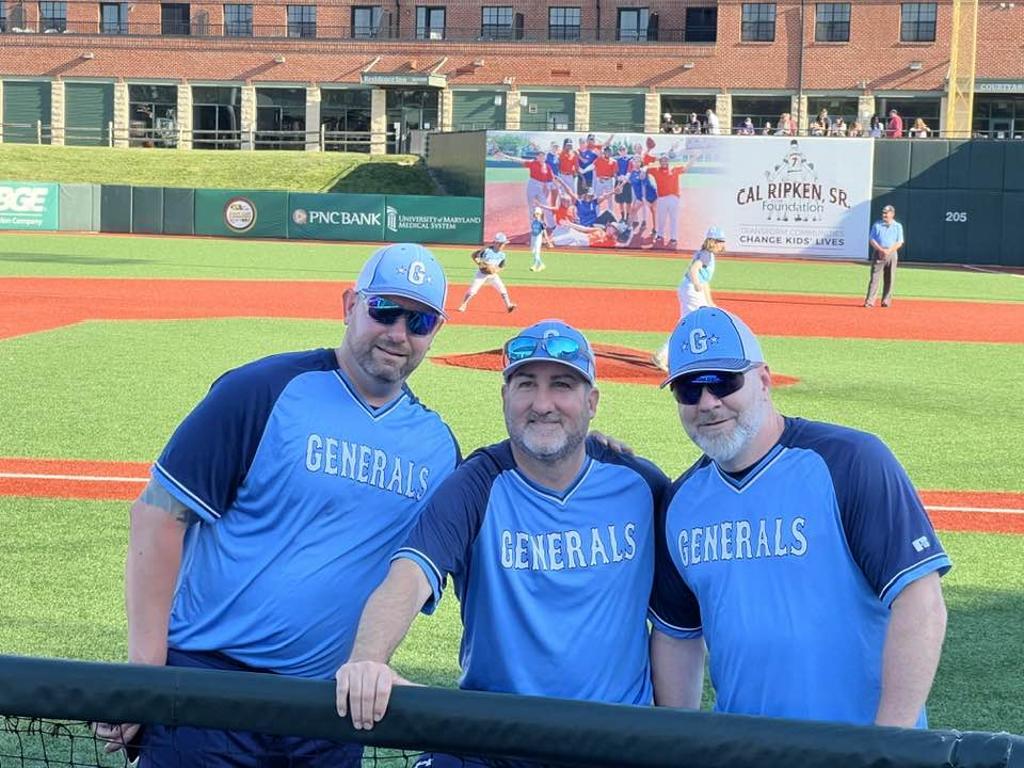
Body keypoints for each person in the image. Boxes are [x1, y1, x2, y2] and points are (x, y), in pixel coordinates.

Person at [94, 243, 461, 767]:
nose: (398, 333)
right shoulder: (262, 389)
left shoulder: (438, 449)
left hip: (328, 713)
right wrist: (146, 673)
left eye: (419, 320)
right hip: (209, 691)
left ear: (435, 330)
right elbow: (157, 513)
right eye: (384, 310)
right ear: (349, 304)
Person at [335, 320, 670, 751]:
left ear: (592, 402)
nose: (542, 404)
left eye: (562, 385)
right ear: (505, 397)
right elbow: (410, 576)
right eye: (526, 384)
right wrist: (367, 658)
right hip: (497, 739)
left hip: (613, 742)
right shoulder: (475, 485)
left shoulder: (640, 485)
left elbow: (682, 614)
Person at [650, 306, 950, 727]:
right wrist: (680, 743)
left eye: (723, 381)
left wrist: (889, 744)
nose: (708, 402)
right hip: (745, 750)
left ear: (764, 380)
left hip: (858, 748)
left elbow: (920, 601)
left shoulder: (850, 461)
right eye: (688, 389)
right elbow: (677, 635)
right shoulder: (681, 502)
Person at [651, 226, 724, 371]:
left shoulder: (707, 254)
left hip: (689, 289)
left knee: (690, 322)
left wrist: (709, 301)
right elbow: (694, 270)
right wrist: (696, 284)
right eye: (720, 241)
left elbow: (705, 281)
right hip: (692, 289)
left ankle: (668, 354)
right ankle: (664, 355)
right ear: (713, 242)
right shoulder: (706, 255)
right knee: (694, 323)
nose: (722, 245)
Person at [644, 152, 699, 249]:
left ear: (668, 161)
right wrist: (653, 161)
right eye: (662, 160)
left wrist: (695, 157)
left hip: (674, 198)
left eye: (665, 160)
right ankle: (660, 235)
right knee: (661, 219)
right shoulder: (655, 170)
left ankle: (673, 238)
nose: (664, 162)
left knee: (674, 219)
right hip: (661, 198)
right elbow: (645, 165)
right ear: (660, 162)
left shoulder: (674, 169)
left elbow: (687, 167)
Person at [458, 232, 517, 313]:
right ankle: (463, 304)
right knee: (473, 290)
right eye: (501, 243)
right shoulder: (486, 250)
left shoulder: (502, 255)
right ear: (496, 243)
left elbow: (502, 266)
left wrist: (496, 270)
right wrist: (480, 264)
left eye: (503, 244)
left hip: (493, 275)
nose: (502, 245)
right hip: (482, 274)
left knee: (502, 289)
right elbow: (474, 255)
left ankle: (509, 305)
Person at [864, 204, 904, 307]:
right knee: (874, 278)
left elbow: (899, 242)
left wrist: (889, 251)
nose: (884, 215)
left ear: (892, 214)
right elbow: (872, 239)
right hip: (879, 253)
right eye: (883, 213)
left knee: (889, 278)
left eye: (886, 213)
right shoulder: (877, 225)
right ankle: (870, 301)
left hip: (892, 253)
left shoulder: (898, 226)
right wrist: (881, 250)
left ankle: (886, 301)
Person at [528, 206, 554, 271]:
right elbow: (533, 230)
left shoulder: (542, 223)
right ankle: (542, 265)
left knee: (537, 253)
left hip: (538, 238)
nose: (536, 215)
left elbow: (544, 232)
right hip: (533, 237)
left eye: (537, 214)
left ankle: (534, 266)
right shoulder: (533, 222)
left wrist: (548, 242)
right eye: (535, 214)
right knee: (533, 252)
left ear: (540, 214)